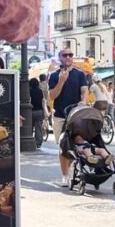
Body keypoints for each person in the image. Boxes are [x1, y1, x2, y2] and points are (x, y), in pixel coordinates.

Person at [48, 49, 88, 186]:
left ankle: (69, 168)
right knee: (62, 146)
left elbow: (84, 91)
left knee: (76, 144)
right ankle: (65, 175)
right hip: (60, 116)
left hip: (76, 116)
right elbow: (52, 96)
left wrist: (83, 102)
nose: (68, 57)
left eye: (70, 55)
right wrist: (61, 81)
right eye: (65, 55)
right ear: (60, 58)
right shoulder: (54, 76)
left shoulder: (80, 74)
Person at [29, 77, 47, 148]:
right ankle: (38, 143)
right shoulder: (40, 91)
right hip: (39, 111)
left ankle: (29, 140)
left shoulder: (29, 91)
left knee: (29, 127)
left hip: (30, 112)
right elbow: (43, 101)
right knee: (38, 127)